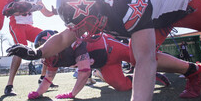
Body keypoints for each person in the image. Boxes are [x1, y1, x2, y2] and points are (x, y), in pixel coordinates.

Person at [8, 0, 201, 100]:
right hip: (158, 19)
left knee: (142, 57)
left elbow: (146, 61)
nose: (84, 32)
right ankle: (196, 73)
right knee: (135, 56)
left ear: (97, 9)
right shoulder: (93, 6)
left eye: (86, 25)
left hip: (187, 3)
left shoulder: (125, 5)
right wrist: (36, 52)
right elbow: (67, 35)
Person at [27, 31, 171, 100]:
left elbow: (84, 72)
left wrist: (72, 94)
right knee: (122, 86)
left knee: (144, 58)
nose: (47, 55)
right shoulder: (53, 58)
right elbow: (48, 78)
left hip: (112, 47)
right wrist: (38, 92)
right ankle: (140, 77)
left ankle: (189, 68)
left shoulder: (74, 43)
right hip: (105, 65)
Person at [4, 0, 58, 96]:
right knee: (20, 48)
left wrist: (53, 12)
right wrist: (25, 8)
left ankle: (43, 77)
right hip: (16, 23)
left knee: (49, 41)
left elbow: (45, 12)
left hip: (29, 25)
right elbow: (8, 11)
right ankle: (9, 85)